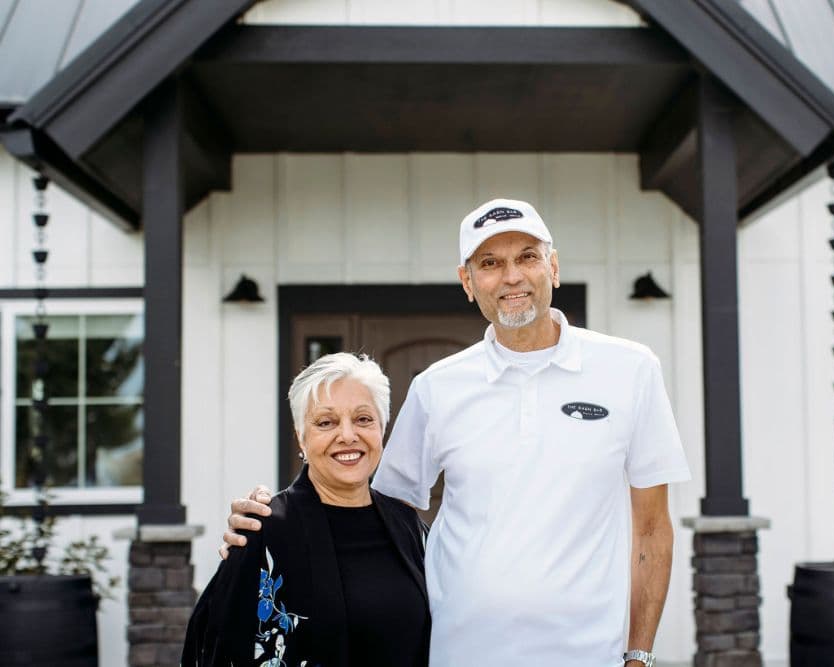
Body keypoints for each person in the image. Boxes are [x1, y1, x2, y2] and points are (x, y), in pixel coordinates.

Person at [224, 199, 690, 667]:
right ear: (468, 283)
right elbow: (380, 511)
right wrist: (270, 532)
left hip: (590, 654)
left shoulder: (631, 370)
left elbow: (651, 527)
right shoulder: (436, 388)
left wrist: (638, 654)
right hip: (458, 652)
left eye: (527, 256)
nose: (512, 277)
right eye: (490, 263)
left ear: (553, 266)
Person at [185, 353, 430, 666]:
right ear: (301, 436)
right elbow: (216, 649)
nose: (347, 435)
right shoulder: (265, 531)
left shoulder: (408, 527)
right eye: (326, 422)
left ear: (382, 428)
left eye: (363, 419)